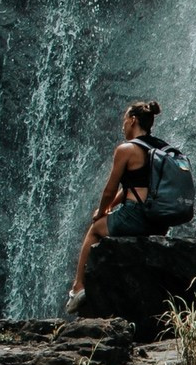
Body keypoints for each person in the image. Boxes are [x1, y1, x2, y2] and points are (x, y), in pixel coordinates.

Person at [65, 99, 171, 314]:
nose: (123, 126)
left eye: (124, 120)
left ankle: (78, 287)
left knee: (95, 230)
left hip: (136, 215)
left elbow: (110, 189)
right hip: (159, 220)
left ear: (133, 120)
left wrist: (101, 212)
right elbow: (131, 187)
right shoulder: (160, 148)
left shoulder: (127, 149)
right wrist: (109, 208)